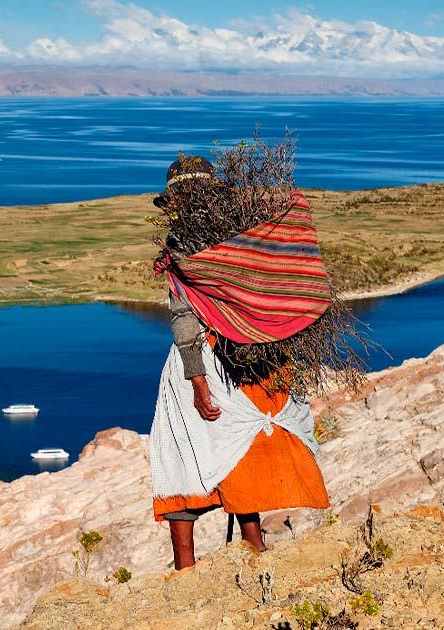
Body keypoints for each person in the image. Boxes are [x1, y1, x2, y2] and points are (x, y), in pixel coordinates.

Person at [149, 155, 332, 570]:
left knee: (184, 452)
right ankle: (255, 548)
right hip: (253, 358)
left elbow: (184, 319)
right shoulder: (246, 234)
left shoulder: (182, 244)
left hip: (206, 361)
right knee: (242, 449)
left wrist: (197, 382)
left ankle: (187, 568)